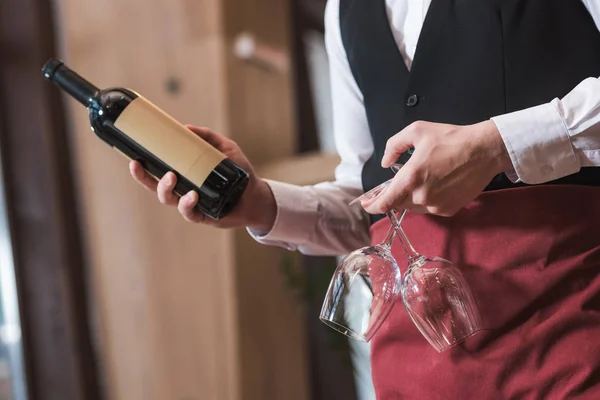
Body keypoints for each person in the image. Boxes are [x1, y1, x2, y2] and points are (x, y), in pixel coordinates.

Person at [130, 0, 600, 398]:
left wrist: (497, 145)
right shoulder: (345, 10)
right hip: (413, 377)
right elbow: (371, 201)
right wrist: (260, 203)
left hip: (569, 349)